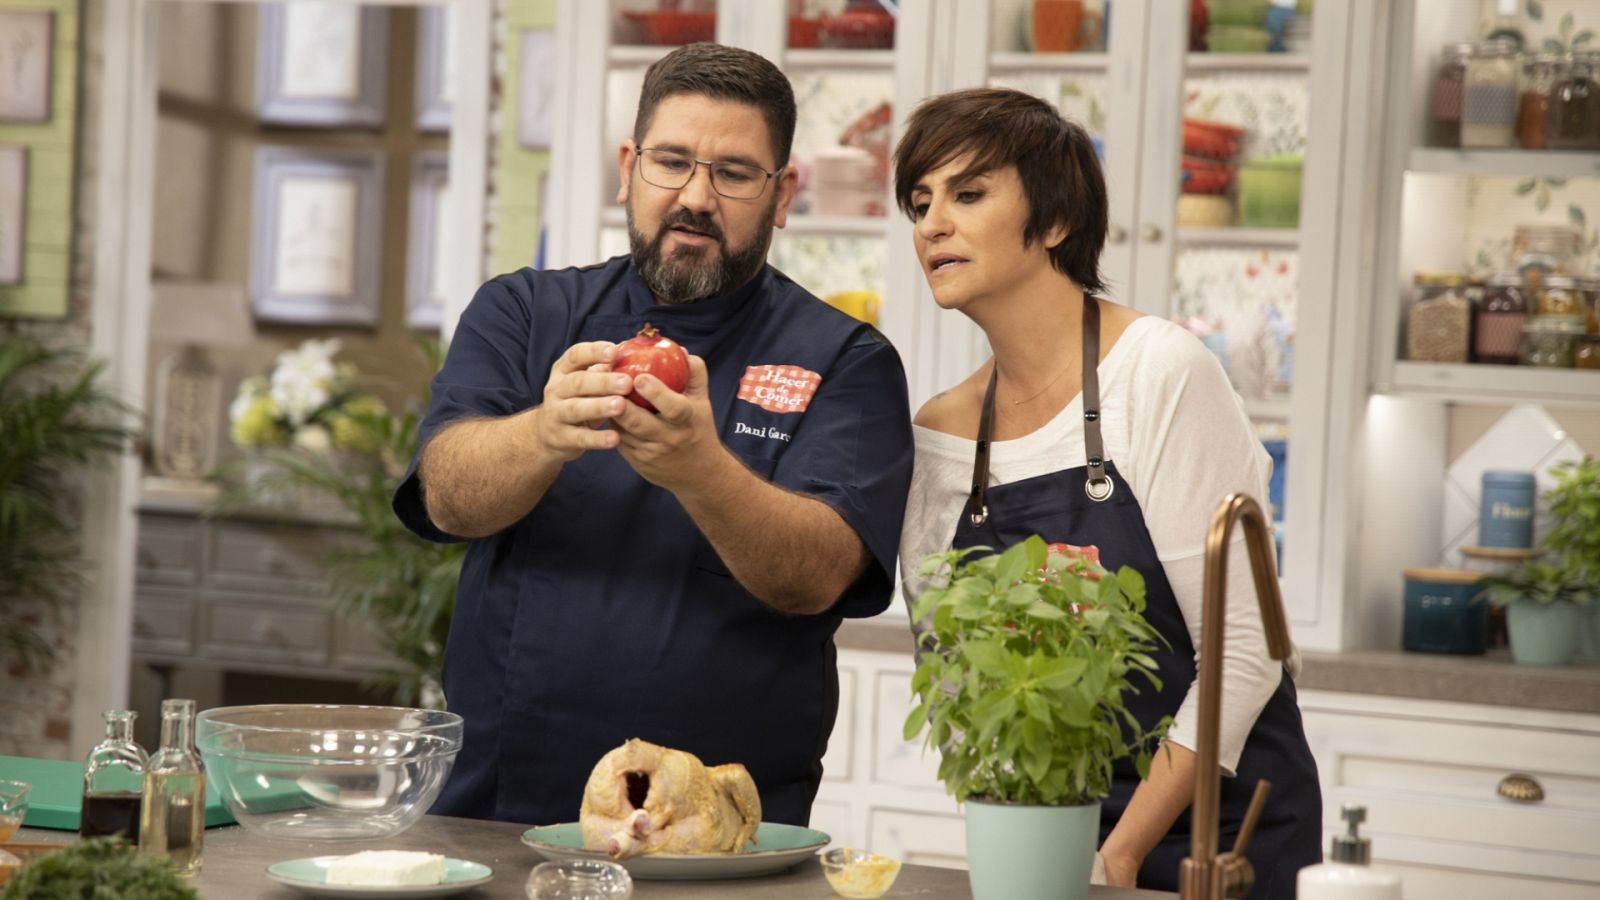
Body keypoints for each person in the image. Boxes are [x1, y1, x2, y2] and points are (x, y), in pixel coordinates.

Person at [392, 42, 914, 828]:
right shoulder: (525, 312)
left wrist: (700, 468)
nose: (696, 196)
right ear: (629, 166)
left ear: (783, 195)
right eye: (672, 161)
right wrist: (545, 434)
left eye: (735, 173)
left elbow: (816, 576)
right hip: (504, 804)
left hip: (726, 828)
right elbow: (446, 498)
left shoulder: (846, 359)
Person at [892, 87, 1321, 897]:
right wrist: (1030, 834)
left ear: (1054, 222)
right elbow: (954, 681)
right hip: (1053, 834)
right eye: (920, 203)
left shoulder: (1157, 370)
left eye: (968, 193)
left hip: (1219, 832)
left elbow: (1246, 650)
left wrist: (1118, 853)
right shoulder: (944, 433)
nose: (931, 224)